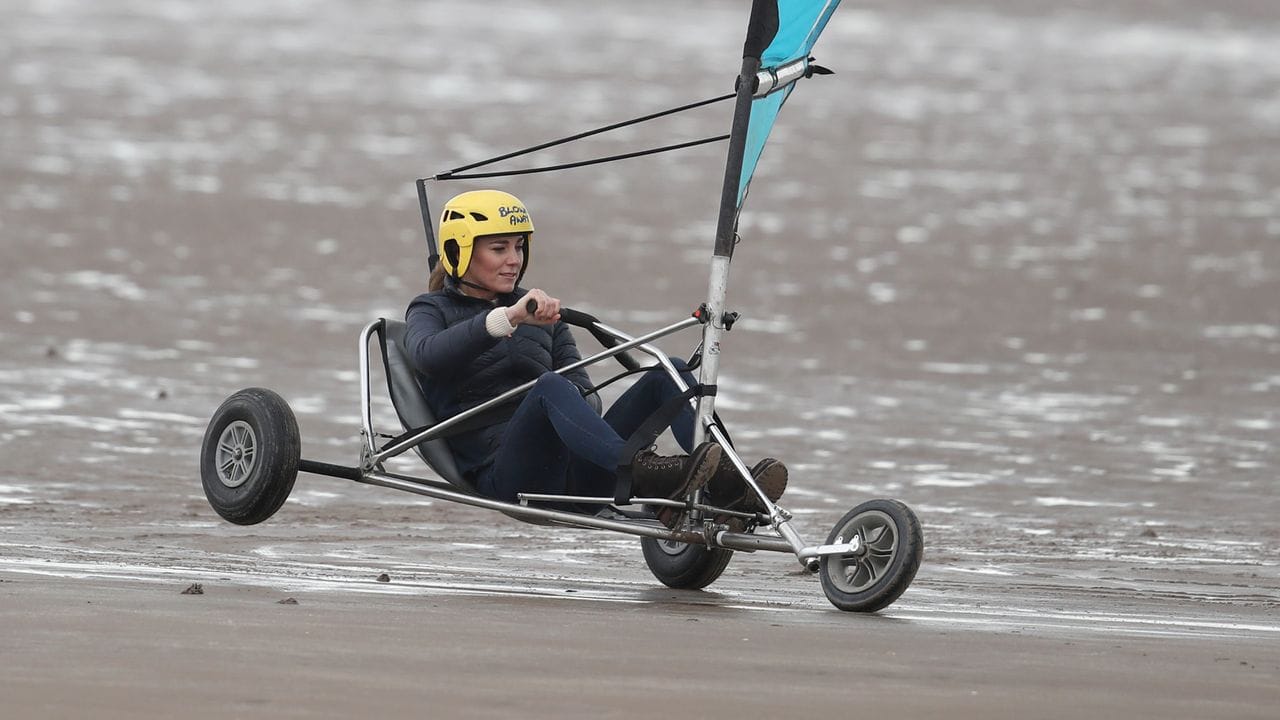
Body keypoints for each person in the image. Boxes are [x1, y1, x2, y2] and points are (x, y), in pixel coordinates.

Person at [403, 189, 786, 529]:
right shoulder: (430, 309)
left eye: (519, 247)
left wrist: (578, 407)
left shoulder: (543, 316)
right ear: (459, 252)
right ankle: (644, 473)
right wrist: (511, 317)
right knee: (550, 386)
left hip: (585, 472)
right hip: (509, 476)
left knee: (668, 372)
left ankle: (732, 483)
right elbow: (427, 357)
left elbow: (586, 394)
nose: (513, 260)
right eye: (499, 248)